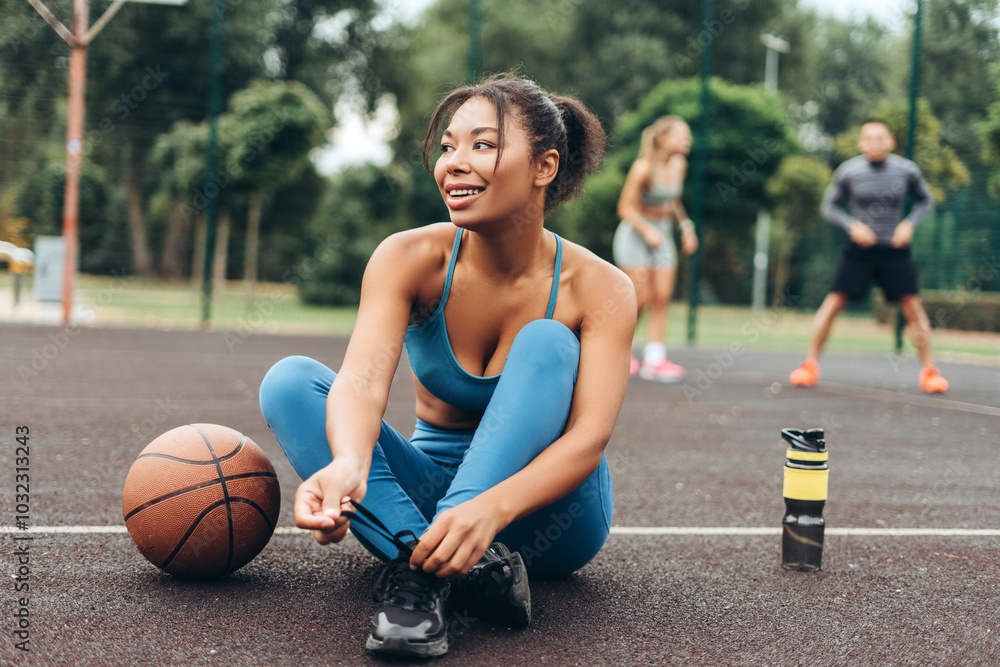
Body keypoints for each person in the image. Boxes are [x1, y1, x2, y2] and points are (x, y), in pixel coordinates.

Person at [258, 74, 636, 658]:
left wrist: (488, 508)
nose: (454, 163)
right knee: (289, 383)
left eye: (483, 145)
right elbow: (361, 381)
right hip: (426, 505)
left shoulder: (603, 287)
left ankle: (421, 563)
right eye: (448, 146)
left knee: (547, 343)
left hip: (551, 517)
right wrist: (351, 466)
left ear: (544, 166)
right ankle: (427, 570)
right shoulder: (409, 258)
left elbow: (589, 438)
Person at [789, 119, 948, 394]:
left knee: (911, 306)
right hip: (858, 251)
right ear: (861, 143)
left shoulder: (906, 170)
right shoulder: (848, 171)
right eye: (869, 139)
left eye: (880, 138)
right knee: (834, 303)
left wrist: (908, 224)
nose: (875, 143)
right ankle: (809, 364)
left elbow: (926, 201)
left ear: (891, 141)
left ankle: (929, 371)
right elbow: (829, 206)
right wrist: (852, 225)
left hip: (894, 250)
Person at [613, 115, 698, 382]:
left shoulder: (679, 165)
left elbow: (673, 201)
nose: (687, 140)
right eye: (681, 135)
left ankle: (655, 359)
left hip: (662, 232)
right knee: (641, 297)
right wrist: (647, 230)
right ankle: (617, 353)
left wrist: (686, 227)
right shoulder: (642, 168)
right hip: (636, 233)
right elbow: (625, 208)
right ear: (662, 139)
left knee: (662, 296)